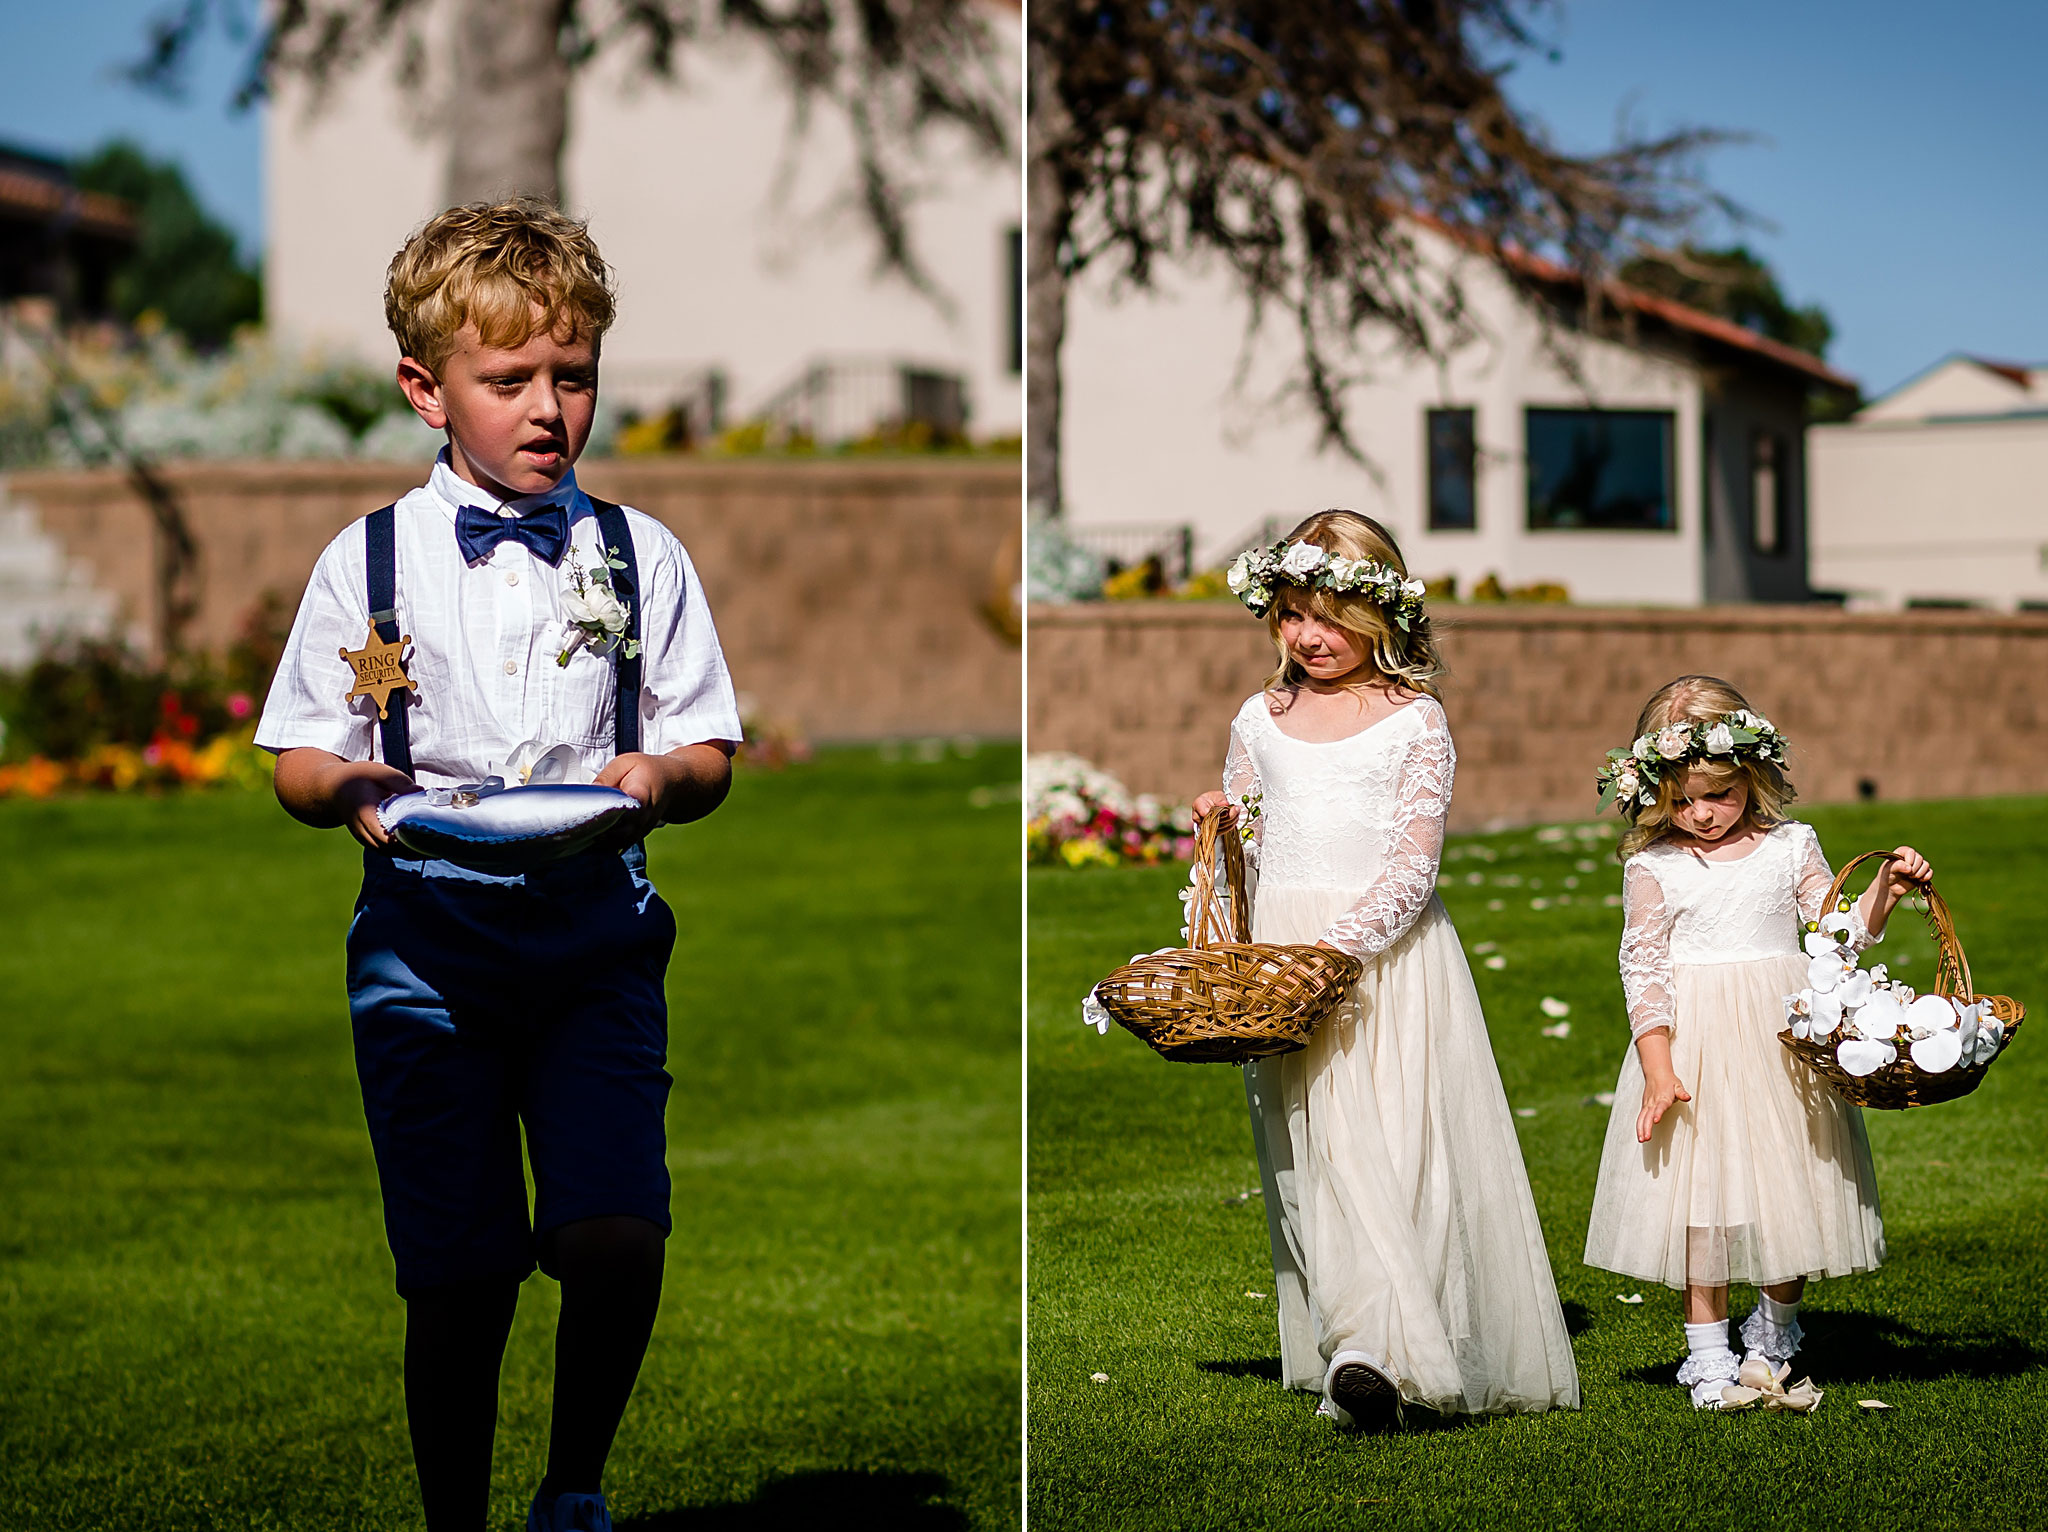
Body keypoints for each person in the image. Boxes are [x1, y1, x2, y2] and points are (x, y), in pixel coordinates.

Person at [255, 200, 743, 1532]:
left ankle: (574, 1486)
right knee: (459, 1281)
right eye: (509, 380)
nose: (547, 409)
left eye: (571, 377)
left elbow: (707, 748)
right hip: (427, 950)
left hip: (597, 940)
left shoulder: (643, 559)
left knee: (616, 1237)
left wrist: (660, 778)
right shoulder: (371, 566)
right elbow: (303, 755)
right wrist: (352, 786)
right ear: (426, 389)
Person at [1190, 510, 1579, 1430]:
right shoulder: (1261, 718)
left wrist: (1341, 949)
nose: (1312, 637)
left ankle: (1383, 1350)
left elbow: (1413, 864)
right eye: (1292, 614)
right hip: (1285, 962)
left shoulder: (1415, 721)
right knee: (1318, 1150)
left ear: (1384, 615)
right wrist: (1219, 827)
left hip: (1384, 965)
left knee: (1399, 1148)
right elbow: (1246, 843)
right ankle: (1360, 1344)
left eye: (1334, 616)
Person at [1582, 676, 1929, 1410]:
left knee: (1786, 1187)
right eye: (1682, 800)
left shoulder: (1790, 846)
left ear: (1753, 776)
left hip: (1780, 1041)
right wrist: (1656, 1067)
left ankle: (1773, 1333)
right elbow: (1642, 970)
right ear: (1651, 791)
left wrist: (1883, 896)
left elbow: (1834, 938)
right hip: (1698, 1046)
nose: (1701, 814)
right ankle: (1707, 1355)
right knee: (1700, 1200)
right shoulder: (1654, 866)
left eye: (1719, 795)